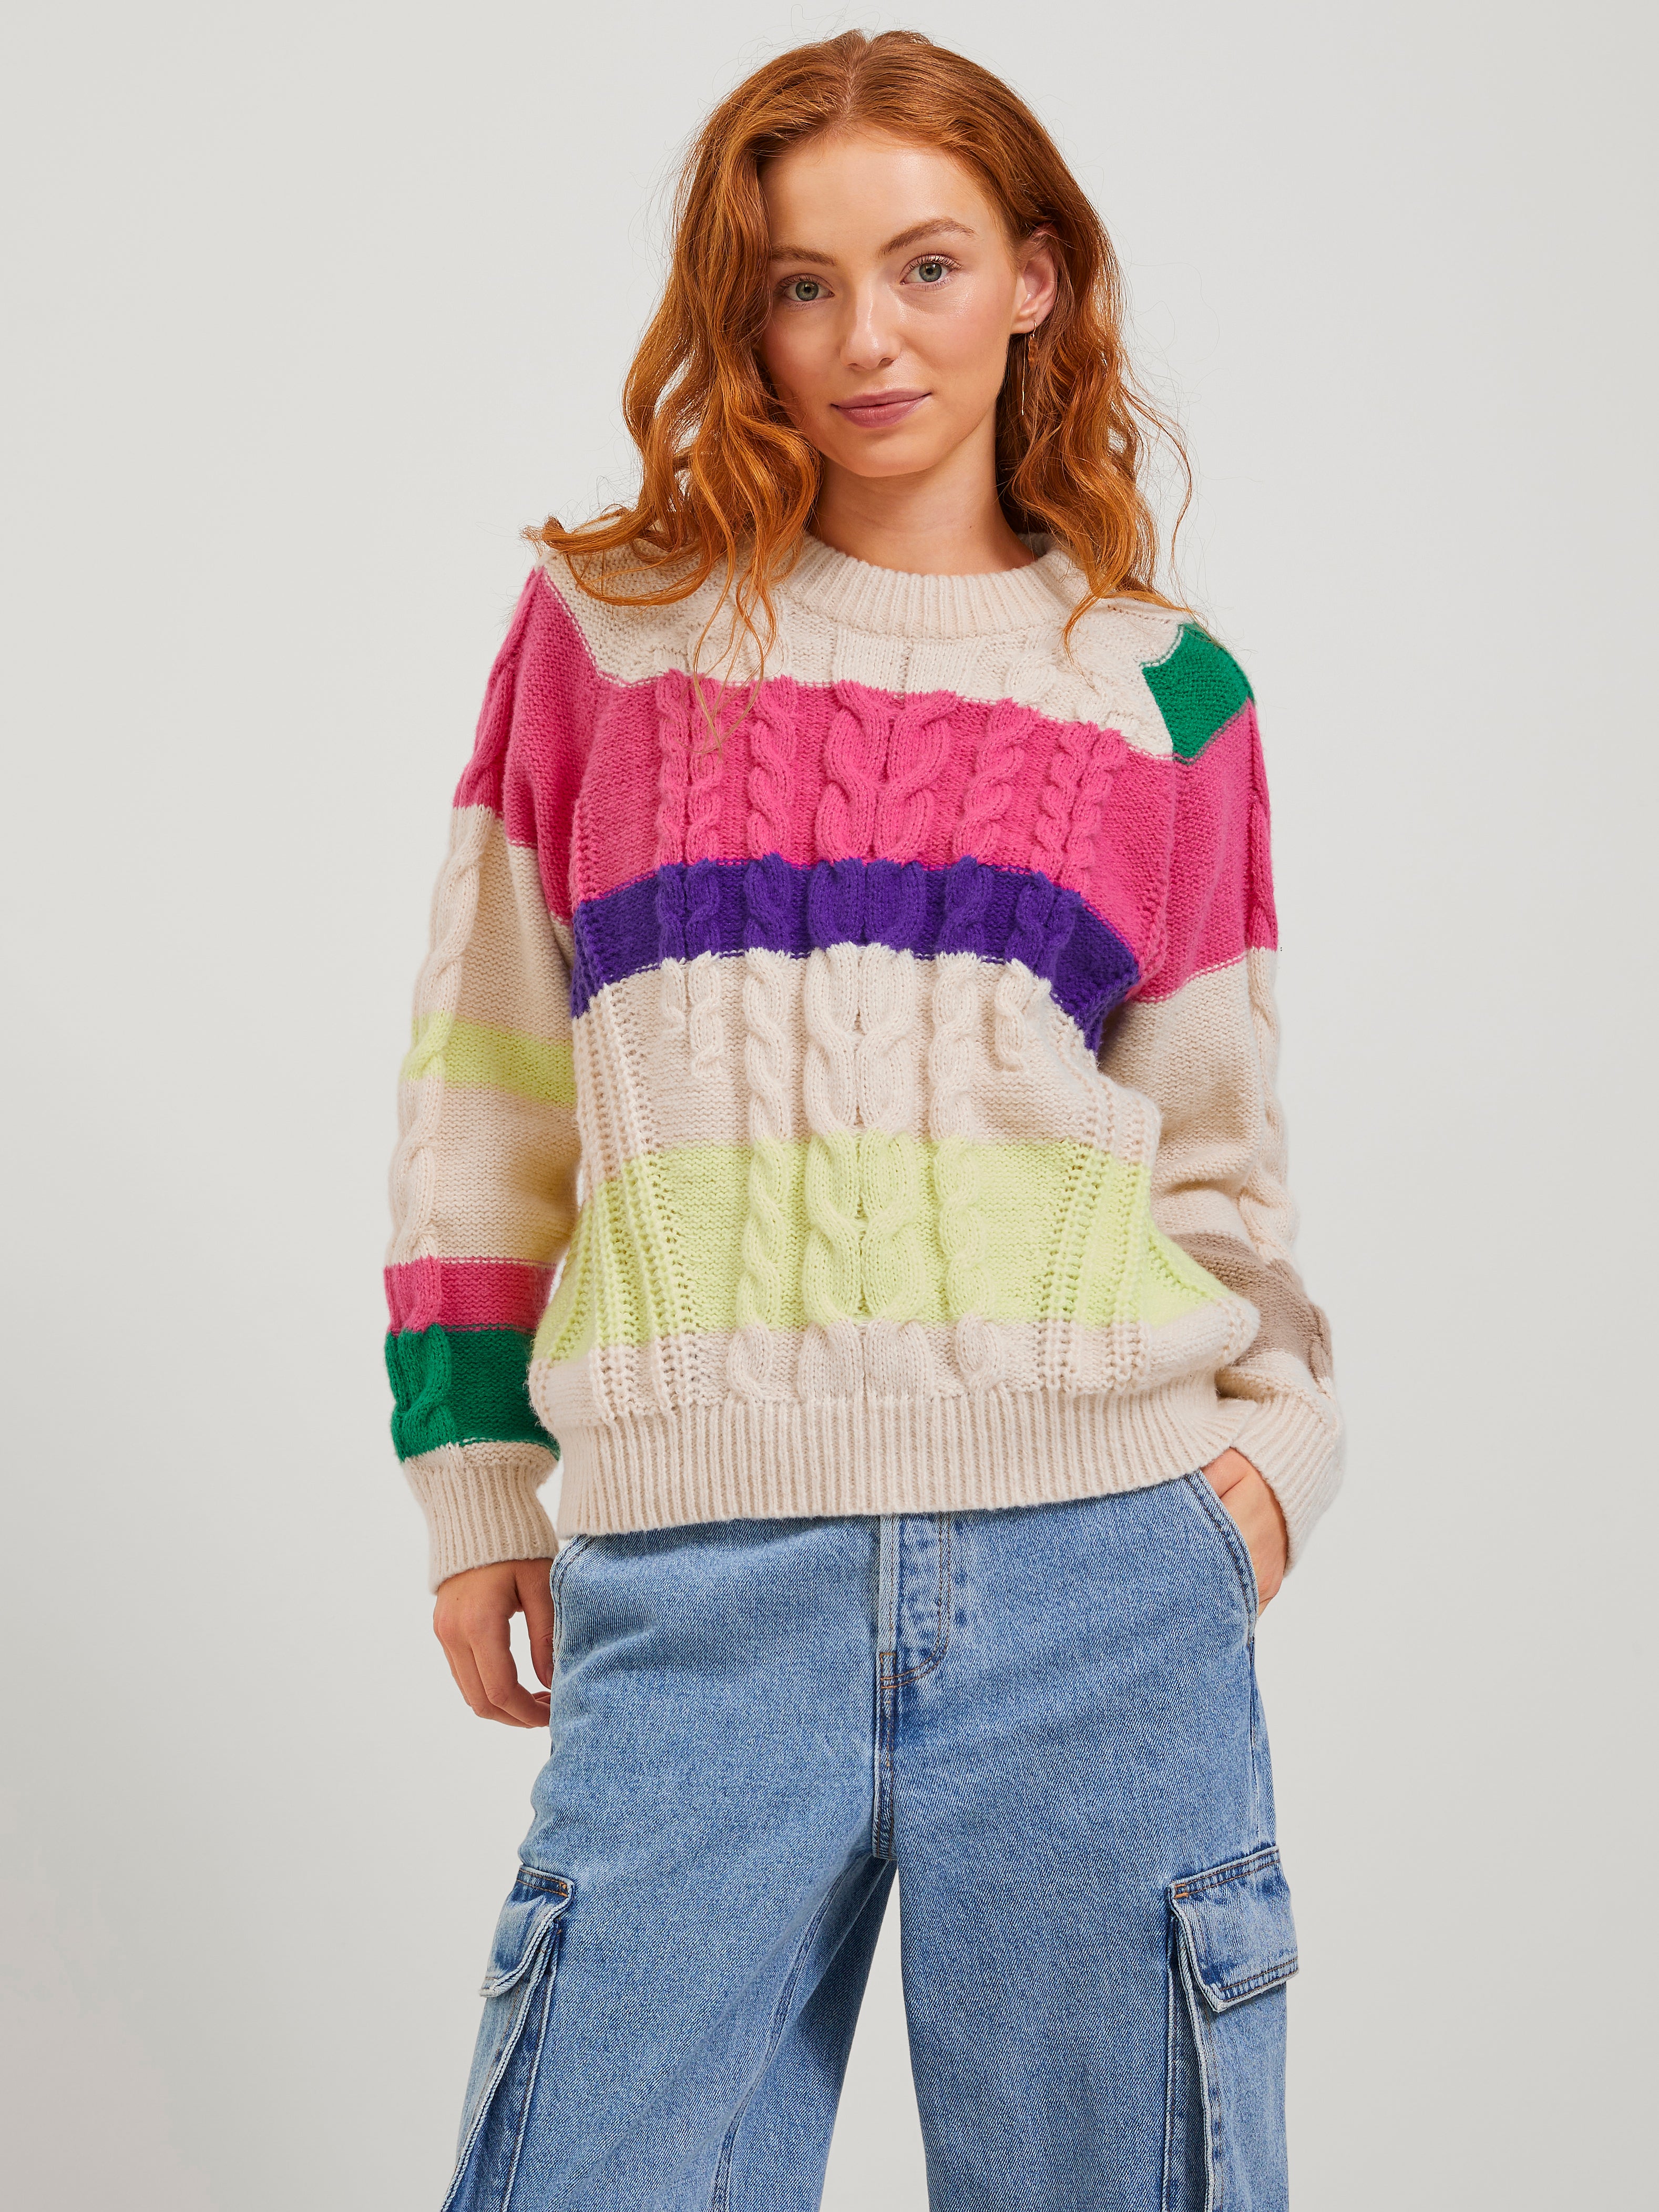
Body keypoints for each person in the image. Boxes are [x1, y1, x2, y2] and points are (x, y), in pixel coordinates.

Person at [383, 29, 1340, 2211]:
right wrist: (473, 1476)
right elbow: (486, 1083)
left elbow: (1216, 1158)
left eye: (924, 265)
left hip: (1105, 1578)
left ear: (1033, 278)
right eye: (799, 286)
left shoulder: (1165, 689)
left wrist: (1270, 1464)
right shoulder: (606, 638)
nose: (865, 339)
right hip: (698, 1585)